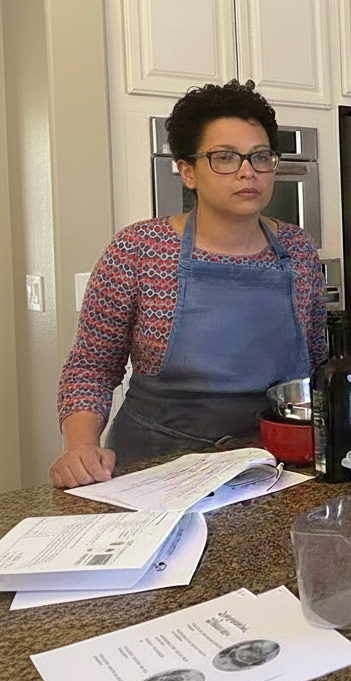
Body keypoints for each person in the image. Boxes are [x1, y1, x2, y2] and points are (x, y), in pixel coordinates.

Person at [51, 80, 326, 487]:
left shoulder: (298, 250)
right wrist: (80, 449)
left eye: (260, 156)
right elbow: (90, 368)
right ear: (187, 171)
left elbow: (316, 365)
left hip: (270, 467)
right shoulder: (139, 249)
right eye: (225, 158)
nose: (248, 172)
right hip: (152, 469)